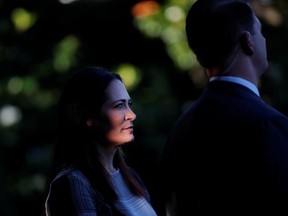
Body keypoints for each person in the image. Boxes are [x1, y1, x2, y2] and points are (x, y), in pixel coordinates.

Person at [160, 0, 288, 215]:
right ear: (248, 41)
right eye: (260, 31)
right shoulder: (269, 125)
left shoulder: (180, 131)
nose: (264, 38)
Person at [44, 67, 158, 216]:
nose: (131, 115)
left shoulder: (131, 177)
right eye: (119, 106)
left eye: (129, 104)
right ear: (88, 117)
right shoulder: (73, 182)